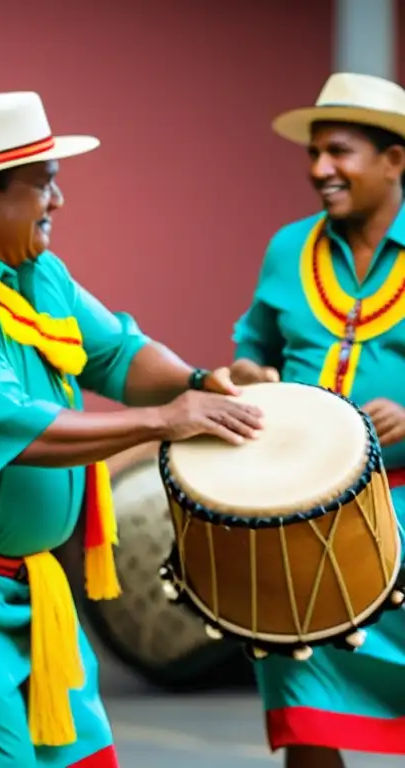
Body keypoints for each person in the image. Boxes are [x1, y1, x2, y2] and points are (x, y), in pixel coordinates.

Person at [0, 90, 265, 767]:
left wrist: (198, 381)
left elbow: (117, 352)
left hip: (34, 589)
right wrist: (165, 422)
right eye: (44, 185)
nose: (58, 201)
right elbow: (19, 434)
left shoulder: (36, 274)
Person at [232, 72, 405, 767]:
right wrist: (249, 376)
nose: (320, 170)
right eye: (314, 154)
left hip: (400, 513)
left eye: (339, 153)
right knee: (306, 710)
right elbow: (252, 348)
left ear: (395, 161)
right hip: (301, 529)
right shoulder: (286, 248)